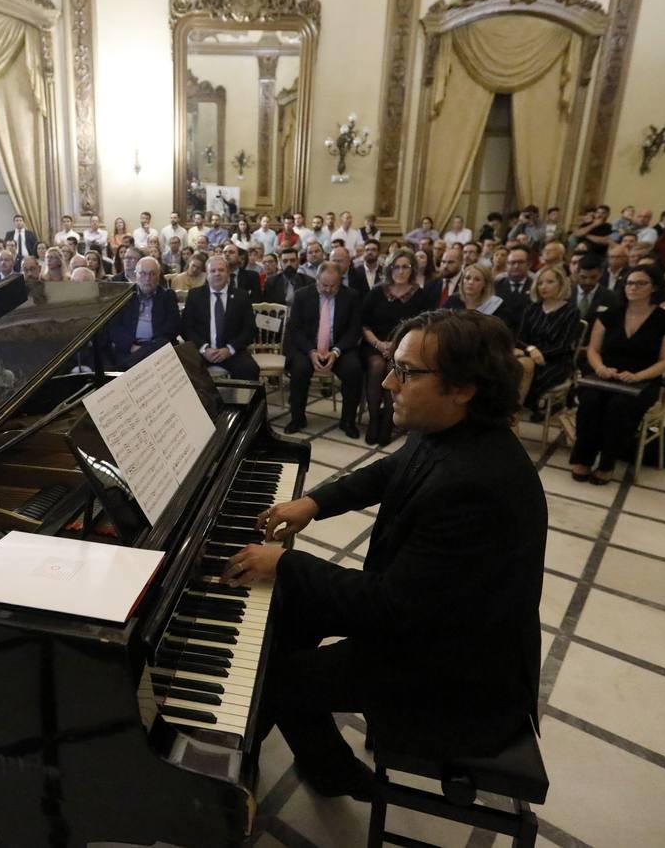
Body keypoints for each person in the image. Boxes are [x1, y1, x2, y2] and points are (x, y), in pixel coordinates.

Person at [225, 309, 544, 799]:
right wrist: (316, 502)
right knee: (284, 617)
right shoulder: (458, 430)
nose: (390, 382)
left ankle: (336, 779)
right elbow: (393, 470)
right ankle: (318, 758)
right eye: (392, 365)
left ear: (463, 387)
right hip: (432, 622)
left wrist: (286, 562)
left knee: (275, 679)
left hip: (456, 671)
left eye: (409, 372)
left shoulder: (475, 486)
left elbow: (388, 606)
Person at [570, 264, 665, 484]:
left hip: (644, 378)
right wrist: (600, 368)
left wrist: (638, 376)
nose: (633, 287)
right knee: (590, 401)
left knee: (619, 406)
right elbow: (593, 350)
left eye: (641, 283)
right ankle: (583, 458)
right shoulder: (610, 315)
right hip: (605, 373)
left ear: (655, 287)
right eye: (630, 283)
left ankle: (607, 462)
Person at [284, 262, 363, 437]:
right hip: (308, 348)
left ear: (340, 282)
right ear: (317, 280)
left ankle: (348, 421)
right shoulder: (302, 295)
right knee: (299, 369)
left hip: (339, 348)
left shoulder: (351, 296)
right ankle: (297, 418)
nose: (328, 290)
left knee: (354, 370)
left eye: (333, 286)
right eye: (324, 285)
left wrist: (336, 352)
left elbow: (354, 330)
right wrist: (311, 352)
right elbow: (295, 329)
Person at [359, 251, 431, 444]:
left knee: (394, 369)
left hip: (405, 348)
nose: (400, 271)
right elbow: (364, 324)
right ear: (390, 269)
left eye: (405, 266)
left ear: (412, 269)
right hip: (375, 344)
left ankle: (387, 424)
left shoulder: (420, 295)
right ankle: (374, 420)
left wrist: (397, 346)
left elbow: (423, 327)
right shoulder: (377, 291)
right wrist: (378, 343)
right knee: (376, 366)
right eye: (396, 266)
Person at [180, 255, 260, 381]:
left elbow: (250, 330)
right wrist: (204, 348)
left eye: (221, 270)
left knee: (250, 369)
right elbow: (187, 328)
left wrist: (229, 349)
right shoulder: (195, 295)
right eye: (213, 271)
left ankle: (239, 401)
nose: (217, 274)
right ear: (206, 274)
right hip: (203, 352)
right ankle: (205, 401)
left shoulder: (241, 296)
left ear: (228, 273)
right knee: (184, 370)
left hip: (232, 352)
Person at [512, 265, 580, 410]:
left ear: (561, 284)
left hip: (555, 360)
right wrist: (531, 349)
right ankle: (509, 411)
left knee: (530, 375)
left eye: (550, 282)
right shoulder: (532, 308)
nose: (544, 287)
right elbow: (520, 338)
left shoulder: (571, 311)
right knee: (507, 369)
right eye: (540, 282)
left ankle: (518, 411)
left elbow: (562, 346)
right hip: (530, 355)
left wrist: (531, 352)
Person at [107, 257, 179, 369]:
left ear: (159, 276)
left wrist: (148, 349)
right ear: (136, 275)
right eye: (143, 273)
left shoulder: (167, 296)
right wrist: (132, 347)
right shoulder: (124, 296)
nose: (147, 278)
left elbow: (172, 328)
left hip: (158, 351)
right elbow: (114, 327)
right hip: (130, 349)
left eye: (152, 274)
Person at [442, 263, 522, 332]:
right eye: (467, 278)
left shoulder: (496, 305)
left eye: (477, 279)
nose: (470, 282)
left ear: (485, 284)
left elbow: (503, 334)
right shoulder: (452, 300)